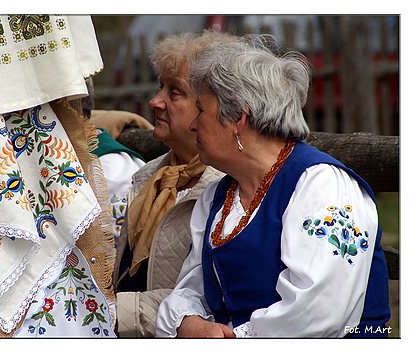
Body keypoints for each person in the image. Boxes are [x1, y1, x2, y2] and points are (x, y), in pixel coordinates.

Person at [155, 34, 391, 338]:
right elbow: (190, 289)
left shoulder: (322, 186)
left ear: (239, 118)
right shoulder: (218, 197)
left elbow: (319, 313)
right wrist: (186, 321)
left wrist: (233, 338)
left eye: (201, 110)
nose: (193, 124)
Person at [112, 30, 235, 337]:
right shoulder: (151, 175)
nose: (156, 101)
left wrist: (112, 312)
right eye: (159, 88)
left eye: (174, 92)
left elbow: (208, 298)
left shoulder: (228, 187)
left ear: (211, 104)